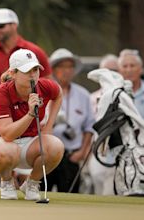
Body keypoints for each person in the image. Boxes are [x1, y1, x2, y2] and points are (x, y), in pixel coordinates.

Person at [0, 49, 64, 200]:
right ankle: (6, 182)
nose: (33, 75)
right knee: (9, 151)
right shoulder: (1, 93)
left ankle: (31, 183)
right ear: (13, 73)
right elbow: (7, 134)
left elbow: (58, 94)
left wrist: (50, 125)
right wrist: (31, 114)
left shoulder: (45, 86)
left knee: (56, 146)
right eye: (27, 71)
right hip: (0, 143)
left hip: (29, 144)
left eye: (36, 69)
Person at [46, 48, 95, 193]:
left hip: (71, 156)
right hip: (46, 155)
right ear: (54, 69)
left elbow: (89, 127)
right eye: (62, 66)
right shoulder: (43, 91)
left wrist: (82, 151)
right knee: (40, 194)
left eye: (70, 67)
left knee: (70, 196)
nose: (66, 70)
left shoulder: (83, 95)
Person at [0, 8, 52, 97]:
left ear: (14, 25)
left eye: (1, 26)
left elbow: (47, 82)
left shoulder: (34, 51)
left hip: (28, 107)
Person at [88, 54, 118, 196]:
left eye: (114, 70)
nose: (109, 75)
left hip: (118, 153)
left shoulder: (123, 96)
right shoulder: (92, 98)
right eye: (105, 71)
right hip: (96, 152)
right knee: (98, 191)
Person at [117, 49, 144, 119]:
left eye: (132, 66)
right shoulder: (114, 94)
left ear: (141, 69)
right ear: (119, 71)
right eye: (125, 66)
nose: (129, 70)